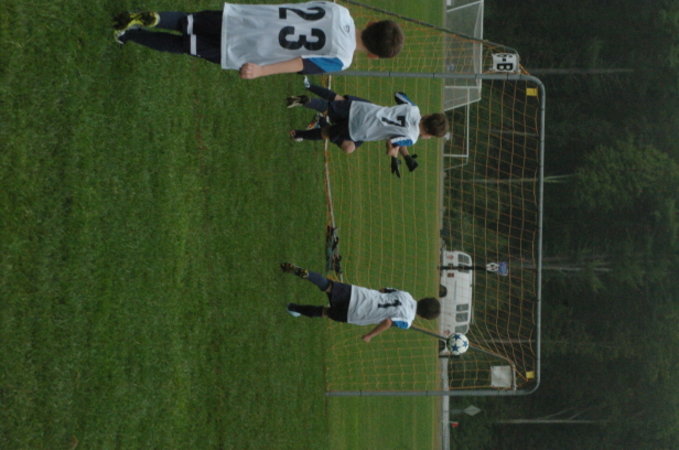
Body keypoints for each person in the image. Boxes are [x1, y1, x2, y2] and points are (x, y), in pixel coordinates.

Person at [112, 3, 404, 79]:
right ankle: (129, 34)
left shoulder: (340, 11)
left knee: (187, 21)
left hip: (247, 19)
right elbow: (301, 63)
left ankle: (155, 18)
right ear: (374, 56)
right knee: (185, 46)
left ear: (372, 23)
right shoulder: (342, 59)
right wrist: (262, 70)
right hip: (248, 50)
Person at [286, 82, 449, 163]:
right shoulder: (412, 137)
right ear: (428, 135)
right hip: (361, 129)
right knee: (327, 133)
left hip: (363, 110)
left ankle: (308, 100)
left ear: (428, 115)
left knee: (330, 107)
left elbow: (399, 95)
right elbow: (393, 142)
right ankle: (298, 134)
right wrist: (393, 154)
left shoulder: (414, 109)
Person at [280, 262, 440, 343]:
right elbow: (388, 322)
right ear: (424, 317)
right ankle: (292, 307)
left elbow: (383, 290)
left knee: (327, 285)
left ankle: (307, 274)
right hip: (355, 313)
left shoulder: (406, 295)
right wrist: (370, 335)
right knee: (325, 312)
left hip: (358, 294)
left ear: (424, 299)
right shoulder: (407, 321)